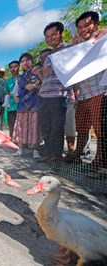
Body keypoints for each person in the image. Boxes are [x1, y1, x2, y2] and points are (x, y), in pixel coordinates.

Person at [69, 11, 107, 170]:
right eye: (80, 27)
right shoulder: (77, 46)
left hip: (99, 90)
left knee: (99, 128)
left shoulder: (102, 38)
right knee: (82, 126)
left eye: (87, 25)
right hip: (82, 93)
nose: (83, 29)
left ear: (97, 24)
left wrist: (103, 32)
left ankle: (100, 162)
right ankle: (77, 155)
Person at [38, 22, 72, 162]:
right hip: (43, 95)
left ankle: (56, 157)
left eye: (53, 34)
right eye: (47, 36)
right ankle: (49, 154)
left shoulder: (69, 49)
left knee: (57, 128)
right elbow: (46, 76)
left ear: (62, 33)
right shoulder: (49, 55)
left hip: (59, 94)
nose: (50, 38)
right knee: (45, 127)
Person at [12, 53, 41, 159]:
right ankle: (20, 148)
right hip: (22, 105)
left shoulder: (38, 72)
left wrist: (34, 85)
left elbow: (41, 84)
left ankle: (35, 149)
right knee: (21, 127)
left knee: (34, 126)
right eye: (22, 61)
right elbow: (16, 91)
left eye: (27, 60)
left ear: (31, 61)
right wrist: (16, 95)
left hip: (35, 103)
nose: (25, 63)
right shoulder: (20, 78)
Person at [4, 60, 19, 138]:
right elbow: (7, 93)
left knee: (21, 126)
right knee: (11, 125)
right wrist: (6, 103)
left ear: (19, 67)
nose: (13, 68)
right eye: (11, 67)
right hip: (11, 107)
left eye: (15, 66)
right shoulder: (8, 81)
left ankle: (23, 144)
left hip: (22, 106)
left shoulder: (23, 78)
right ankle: (13, 141)